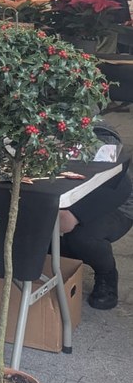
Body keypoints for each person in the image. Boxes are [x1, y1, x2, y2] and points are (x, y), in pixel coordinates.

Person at [59, 126, 133, 310]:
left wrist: (77, 213)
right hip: (63, 198)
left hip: (115, 203)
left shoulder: (101, 137)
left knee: (82, 237)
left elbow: (115, 184)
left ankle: (106, 274)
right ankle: (60, 253)